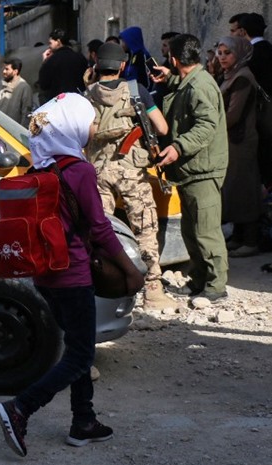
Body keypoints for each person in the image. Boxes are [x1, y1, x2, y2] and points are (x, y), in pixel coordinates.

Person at [0, 93, 144, 457]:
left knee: (78, 346)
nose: (94, 127)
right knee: (79, 355)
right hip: (73, 275)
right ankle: (20, 408)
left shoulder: (40, 169)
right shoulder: (79, 170)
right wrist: (131, 270)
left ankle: (83, 422)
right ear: (70, 127)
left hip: (46, 275)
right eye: (89, 121)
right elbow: (100, 227)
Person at [84, 42, 175, 310]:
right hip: (132, 172)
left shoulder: (85, 96)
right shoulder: (137, 91)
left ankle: (104, 290)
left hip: (97, 171)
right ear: (123, 65)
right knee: (144, 227)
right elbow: (162, 127)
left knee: (102, 230)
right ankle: (153, 290)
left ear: (97, 65)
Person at [152, 34, 229, 303]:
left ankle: (216, 286)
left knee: (206, 230)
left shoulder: (201, 86)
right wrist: (170, 79)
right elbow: (185, 89)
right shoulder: (191, 81)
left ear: (174, 59)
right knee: (191, 230)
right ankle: (199, 280)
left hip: (203, 170)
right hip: (191, 169)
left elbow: (206, 126)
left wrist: (178, 147)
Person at [215, 36, 262, 258]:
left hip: (241, 142)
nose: (222, 57)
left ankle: (251, 240)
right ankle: (239, 236)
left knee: (244, 189)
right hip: (231, 141)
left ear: (240, 53)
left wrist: (210, 126)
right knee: (233, 189)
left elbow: (233, 115)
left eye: (228, 53)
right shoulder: (231, 75)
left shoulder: (242, 77)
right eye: (220, 53)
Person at [239, 13, 272, 191]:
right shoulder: (269, 50)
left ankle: (271, 191)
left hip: (260, 114)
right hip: (270, 112)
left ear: (243, 31)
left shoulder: (252, 55)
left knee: (263, 156)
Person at [38, 29, 88, 101]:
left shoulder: (52, 60)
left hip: (58, 102)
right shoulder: (80, 58)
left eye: (50, 43)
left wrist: (44, 63)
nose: (49, 46)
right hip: (78, 100)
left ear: (58, 42)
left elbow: (43, 84)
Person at [0, 57, 33, 127]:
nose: (4, 71)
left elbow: (26, 113)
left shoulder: (24, 88)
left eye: (7, 69)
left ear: (15, 71)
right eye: (4, 69)